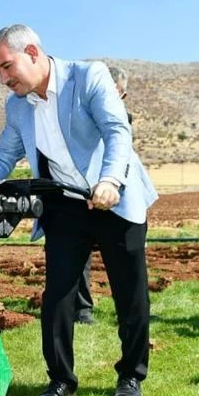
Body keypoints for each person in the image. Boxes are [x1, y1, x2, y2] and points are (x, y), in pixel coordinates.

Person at [0, 25, 157, 396]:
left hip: (114, 197)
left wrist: (110, 181)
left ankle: (131, 375)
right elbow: (4, 155)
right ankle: (60, 381)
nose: (5, 79)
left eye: (8, 67)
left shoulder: (88, 76)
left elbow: (116, 131)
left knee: (130, 292)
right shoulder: (18, 106)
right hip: (66, 205)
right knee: (57, 294)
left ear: (34, 53)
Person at [73, 65, 130, 325]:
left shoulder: (122, 121)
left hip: (116, 196)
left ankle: (128, 310)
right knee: (81, 255)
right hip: (84, 195)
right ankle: (82, 310)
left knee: (124, 257)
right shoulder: (82, 114)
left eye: (117, 92)